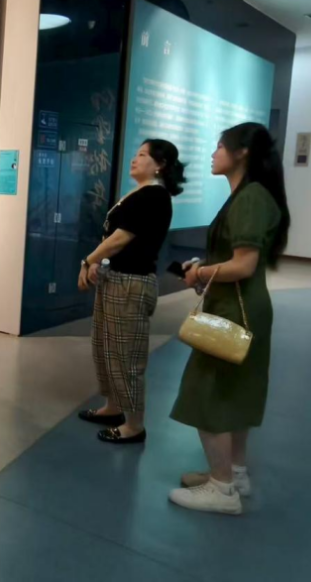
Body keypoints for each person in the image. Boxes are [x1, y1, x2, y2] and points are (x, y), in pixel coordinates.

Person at [169, 123, 290, 515]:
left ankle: (221, 489)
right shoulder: (250, 195)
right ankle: (234, 473)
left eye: (220, 146)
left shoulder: (250, 198)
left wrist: (201, 272)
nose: (213, 152)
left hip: (235, 311)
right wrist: (205, 270)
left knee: (209, 393)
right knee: (235, 391)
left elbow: (243, 264)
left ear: (242, 153)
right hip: (244, 307)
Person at [77, 139, 185, 444]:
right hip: (116, 279)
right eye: (135, 154)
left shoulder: (154, 196)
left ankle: (134, 425)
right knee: (107, 349)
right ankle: (113, 407)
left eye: (142, 155)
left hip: (131, 284)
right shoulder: (139, 193)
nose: (134, 159)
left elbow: (121, 238)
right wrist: (101, 264)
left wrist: (89, 260)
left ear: (160, 164)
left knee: (126, 356)